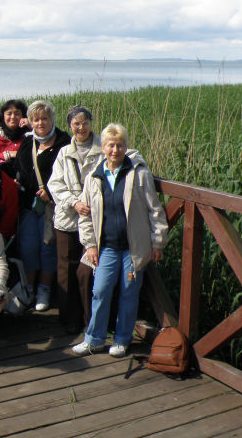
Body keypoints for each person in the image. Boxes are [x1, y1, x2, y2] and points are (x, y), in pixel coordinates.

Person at [72, 123, 168, 358]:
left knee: (128, 293)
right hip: (106, 247)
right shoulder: (94, 177)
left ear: (126, 147)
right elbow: (85, 216)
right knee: (100, 290)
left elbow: (155, 211)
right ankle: (94, 339)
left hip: (133, 248)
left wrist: (157, 243)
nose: (115, 150)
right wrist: (90, 245)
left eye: (120, 145)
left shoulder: (139, 173)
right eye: (111, 145)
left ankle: (122, 339)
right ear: (103, 147)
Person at [48, 106, 105, 332]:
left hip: (94, 219)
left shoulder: (103, 149)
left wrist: (89, 204)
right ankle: (68, 318)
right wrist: (74, 202)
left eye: (85, 123)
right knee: (66, 269)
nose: (81, 128)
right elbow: (55, 184)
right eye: (76, 123)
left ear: (91, 123)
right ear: (70, 125)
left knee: (88, 270)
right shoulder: (64, 152)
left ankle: (90, 318)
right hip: (68, 219)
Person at [14, 100, 71, 312]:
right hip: (29, 205)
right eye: (36, 119)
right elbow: (19, 167)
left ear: (52, 119)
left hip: (52, 207)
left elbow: (68, 175)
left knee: (48, 248)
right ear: (30, 121)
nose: (40, 123)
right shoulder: (28, 142)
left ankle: (44, 290)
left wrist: (51, 191)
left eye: (44, 118)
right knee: (29, 248)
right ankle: (28, 288)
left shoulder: (64, 142)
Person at [0, 99, 29, 177]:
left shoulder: (29, 135)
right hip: (0, 180)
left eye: (17, 114)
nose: (13, 117)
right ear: (3, 116)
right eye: (9, 114)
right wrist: (7, 154)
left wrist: (31, 125)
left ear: (23, 116)